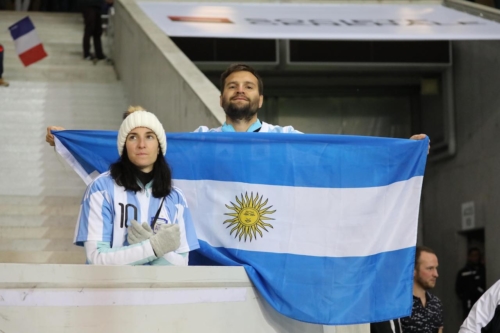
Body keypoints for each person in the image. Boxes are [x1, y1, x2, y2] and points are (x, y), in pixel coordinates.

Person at [74, 107, 200, 265]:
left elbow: (182, 265)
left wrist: (151, 245)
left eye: (149, 137)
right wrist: (153, 247)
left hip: (160, 289)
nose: (141, 144)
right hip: (112, 289)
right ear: (124, 146)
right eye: (133, 137)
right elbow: (96, 259)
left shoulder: (176, 198)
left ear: (159, 146)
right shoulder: (100, 188)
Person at [400, 246, 444, 333]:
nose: (436, 274)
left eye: (436, 268)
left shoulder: (436, 303)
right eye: (430, 268)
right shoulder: (398, 304)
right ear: (413, 270)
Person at [456, 247, 486, 319]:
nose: (475, 258)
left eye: (476, 255)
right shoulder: (463, 272)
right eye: (472, 255)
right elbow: (458, 288)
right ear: (469, 257)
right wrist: (465, 296)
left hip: (482, 303)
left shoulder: (483, 270)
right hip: (468, 303)